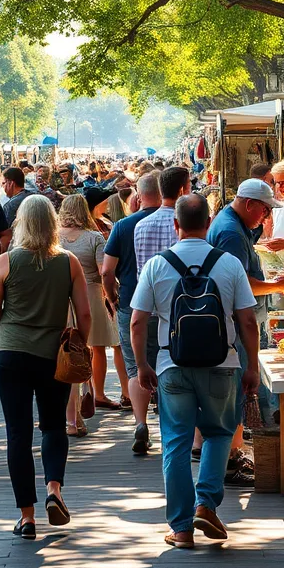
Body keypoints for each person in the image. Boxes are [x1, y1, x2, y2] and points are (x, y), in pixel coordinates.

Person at [130, 194, 259, 550]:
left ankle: (182, 528)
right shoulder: (229, 263)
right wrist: (252, 367)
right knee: (218, 433)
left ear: (176, 225)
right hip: (222, 365)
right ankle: (206, 502)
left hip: (173, 365)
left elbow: (138, 320)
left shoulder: (157, 265)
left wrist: (142, 364)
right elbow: (247, 320)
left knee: (175, 442)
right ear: (208, 222)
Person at [0, 196, 91, 540]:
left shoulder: (5, 262)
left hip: (10, 353)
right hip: (52, 355)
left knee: (18, 433)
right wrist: (78, 343)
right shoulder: (69, 262)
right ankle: (54, 490)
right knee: (54, 425)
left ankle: (26, 517)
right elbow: (85, 314)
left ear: (21, 224)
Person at [207, 179, 284, 478]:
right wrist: (276, 285)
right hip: (235, 325)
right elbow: (240, 282)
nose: (267, 216)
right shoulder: (232, 233)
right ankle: (231, 460)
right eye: (265, 209)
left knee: (234, 395)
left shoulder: (232, 223)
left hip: (233, 322)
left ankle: (233, 455)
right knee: (236, 393)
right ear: (249, 204)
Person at [128, 165, 192, 453]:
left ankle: (141, 424)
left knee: (145, 368)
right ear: (181, 190)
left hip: (148, 308)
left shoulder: (140, 225)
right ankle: (179, 432)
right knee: (176, 374)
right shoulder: (181, 224)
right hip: (181, 312)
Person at [58, 194, 125, 432]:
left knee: (67, 351)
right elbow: (103, 270)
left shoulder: (53, 238)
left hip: (61, 299)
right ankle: (97, 393)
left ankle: (72, 410)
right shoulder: (94, 237)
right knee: (94, 349)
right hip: (91, 296)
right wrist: (112, 296)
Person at [103, 173, 161, 449]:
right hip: (166, 306)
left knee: (135, 366)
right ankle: (169, 419)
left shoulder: (122, 226)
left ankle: (141, 423)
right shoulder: (172, 222)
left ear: (138, 195)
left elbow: (106, 270)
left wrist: (112, 295)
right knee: (164, 360)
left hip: (130, 303)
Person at [0, 167, 31, 232]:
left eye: (3, 183)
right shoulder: (35, 196)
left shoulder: (10, 206)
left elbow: (6, 233)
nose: (2, 187)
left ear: (11, 183)